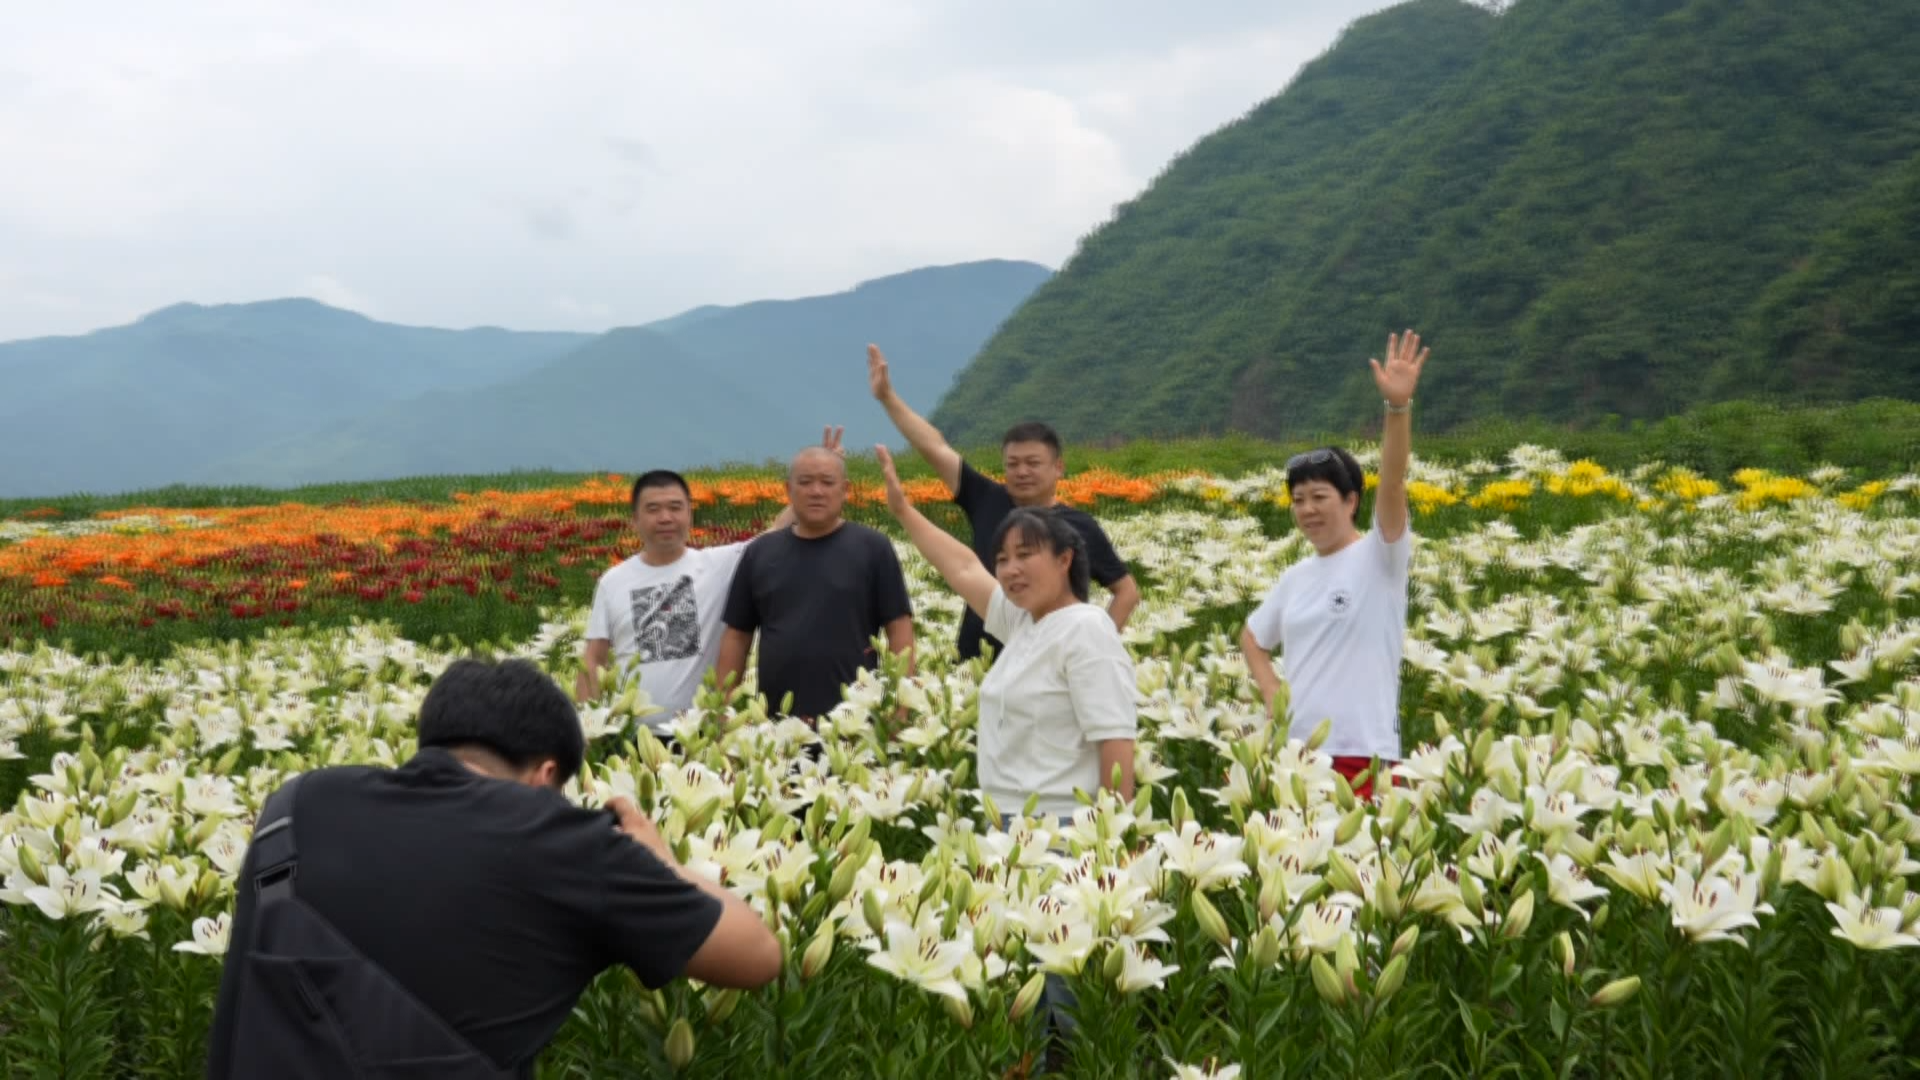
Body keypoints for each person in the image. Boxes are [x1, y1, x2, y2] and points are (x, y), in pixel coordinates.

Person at [206, 658, 780, 1077]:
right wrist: (659, 859)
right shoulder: (557, 836)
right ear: (546, 774)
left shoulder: (297, 803)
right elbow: (757, 954)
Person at [872, 444, 1136, 819]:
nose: (1011, 569)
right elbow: (964, 568)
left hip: (1062, 826)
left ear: (1065, 559)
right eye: (1002, 559)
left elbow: (1116, 739)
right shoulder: (1025, 623)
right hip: (1011, 822)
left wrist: (1112, 836)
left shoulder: (1087, 628)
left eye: (1026, 555)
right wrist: (903, 511)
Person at [1240, 330, 1429, 800]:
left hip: (1362, 755)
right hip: (1297, 755)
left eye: (1320, 496)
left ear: (1351, 501)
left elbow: (1393, 479)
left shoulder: (1379, 557)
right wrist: (1271, 693)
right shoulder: (1295, 577)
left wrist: (1397, 410)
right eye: (1298, 499)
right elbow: (1252, 636)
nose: (1307, 509)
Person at [867, 343, 1140, 662]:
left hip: (1045, 663)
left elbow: (1127, 592)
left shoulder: (1079, 526)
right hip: (976, 662)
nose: (1022, 471)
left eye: (1033, 463)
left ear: (1058, 467)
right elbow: (935, 447)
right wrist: (888, 398)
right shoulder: (987, 498)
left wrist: (1095, 647)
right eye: (1013, 464)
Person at [576, 429, 841, 724]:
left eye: (675, 508)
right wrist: (587, 728)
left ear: (690, 514)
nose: (665, 518)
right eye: (653, 509)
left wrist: (817, 480)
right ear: (635, 519)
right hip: (632, 734)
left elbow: (772, 535)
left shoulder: (718, 564)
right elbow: (593, 660)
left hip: (701, 731)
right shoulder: (614, 581)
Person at [715, 445, 915, 722]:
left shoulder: (873, 548)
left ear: (845, 489)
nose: (816, 491)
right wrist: (722, 708)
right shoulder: (761, 553)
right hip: (778, 722)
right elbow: (737, 635)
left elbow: (899, 627)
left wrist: (900, 705)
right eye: (805, 482)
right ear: (788, 490)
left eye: (827, 482)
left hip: (856, 720)